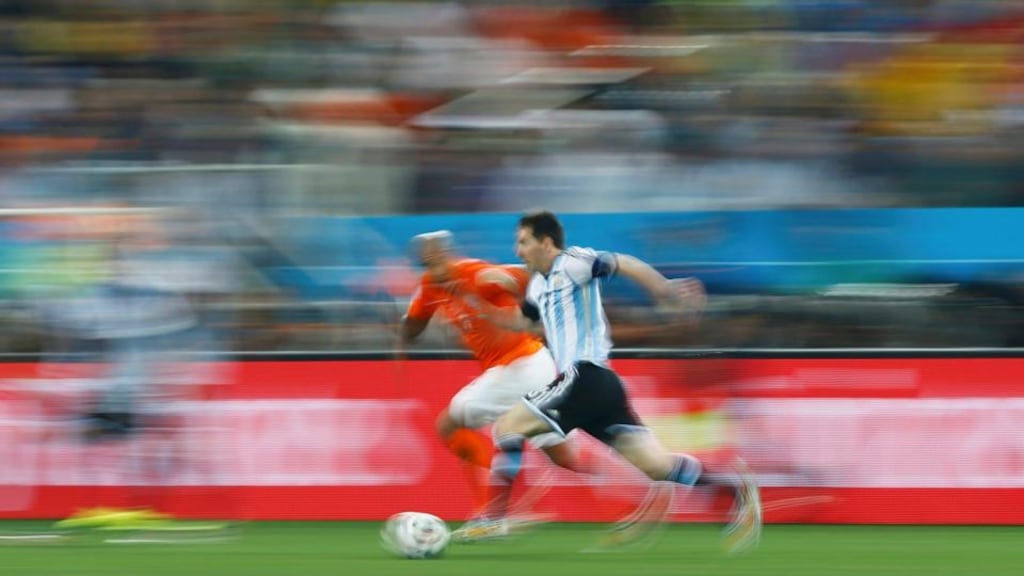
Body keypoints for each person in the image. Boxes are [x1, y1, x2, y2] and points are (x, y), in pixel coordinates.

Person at [453, 211, 762, 553]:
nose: (518, 250)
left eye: (523, 242)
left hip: (585, 375)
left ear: (546, 242)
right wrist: (479, 310)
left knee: (507, 427)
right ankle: (734, 490)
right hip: (602, 388)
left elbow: (622, 262)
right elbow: (524, 323)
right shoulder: (538, 284)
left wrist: (664, 290)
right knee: (657, 466)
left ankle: (493, 517)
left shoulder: (572, 262)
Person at [400, 230, 590, 515]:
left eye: (437, 255)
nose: (433, 263)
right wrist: (409, 319)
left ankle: (491, 513)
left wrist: (513, 284)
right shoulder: (429, 287)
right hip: (532, 366)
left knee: (450, 425)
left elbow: (526, 279)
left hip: (521, 365)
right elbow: (412, 329)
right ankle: (640, 472)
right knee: (564, 457)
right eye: (426, 260)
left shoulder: (475, 274)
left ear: (448, 253)